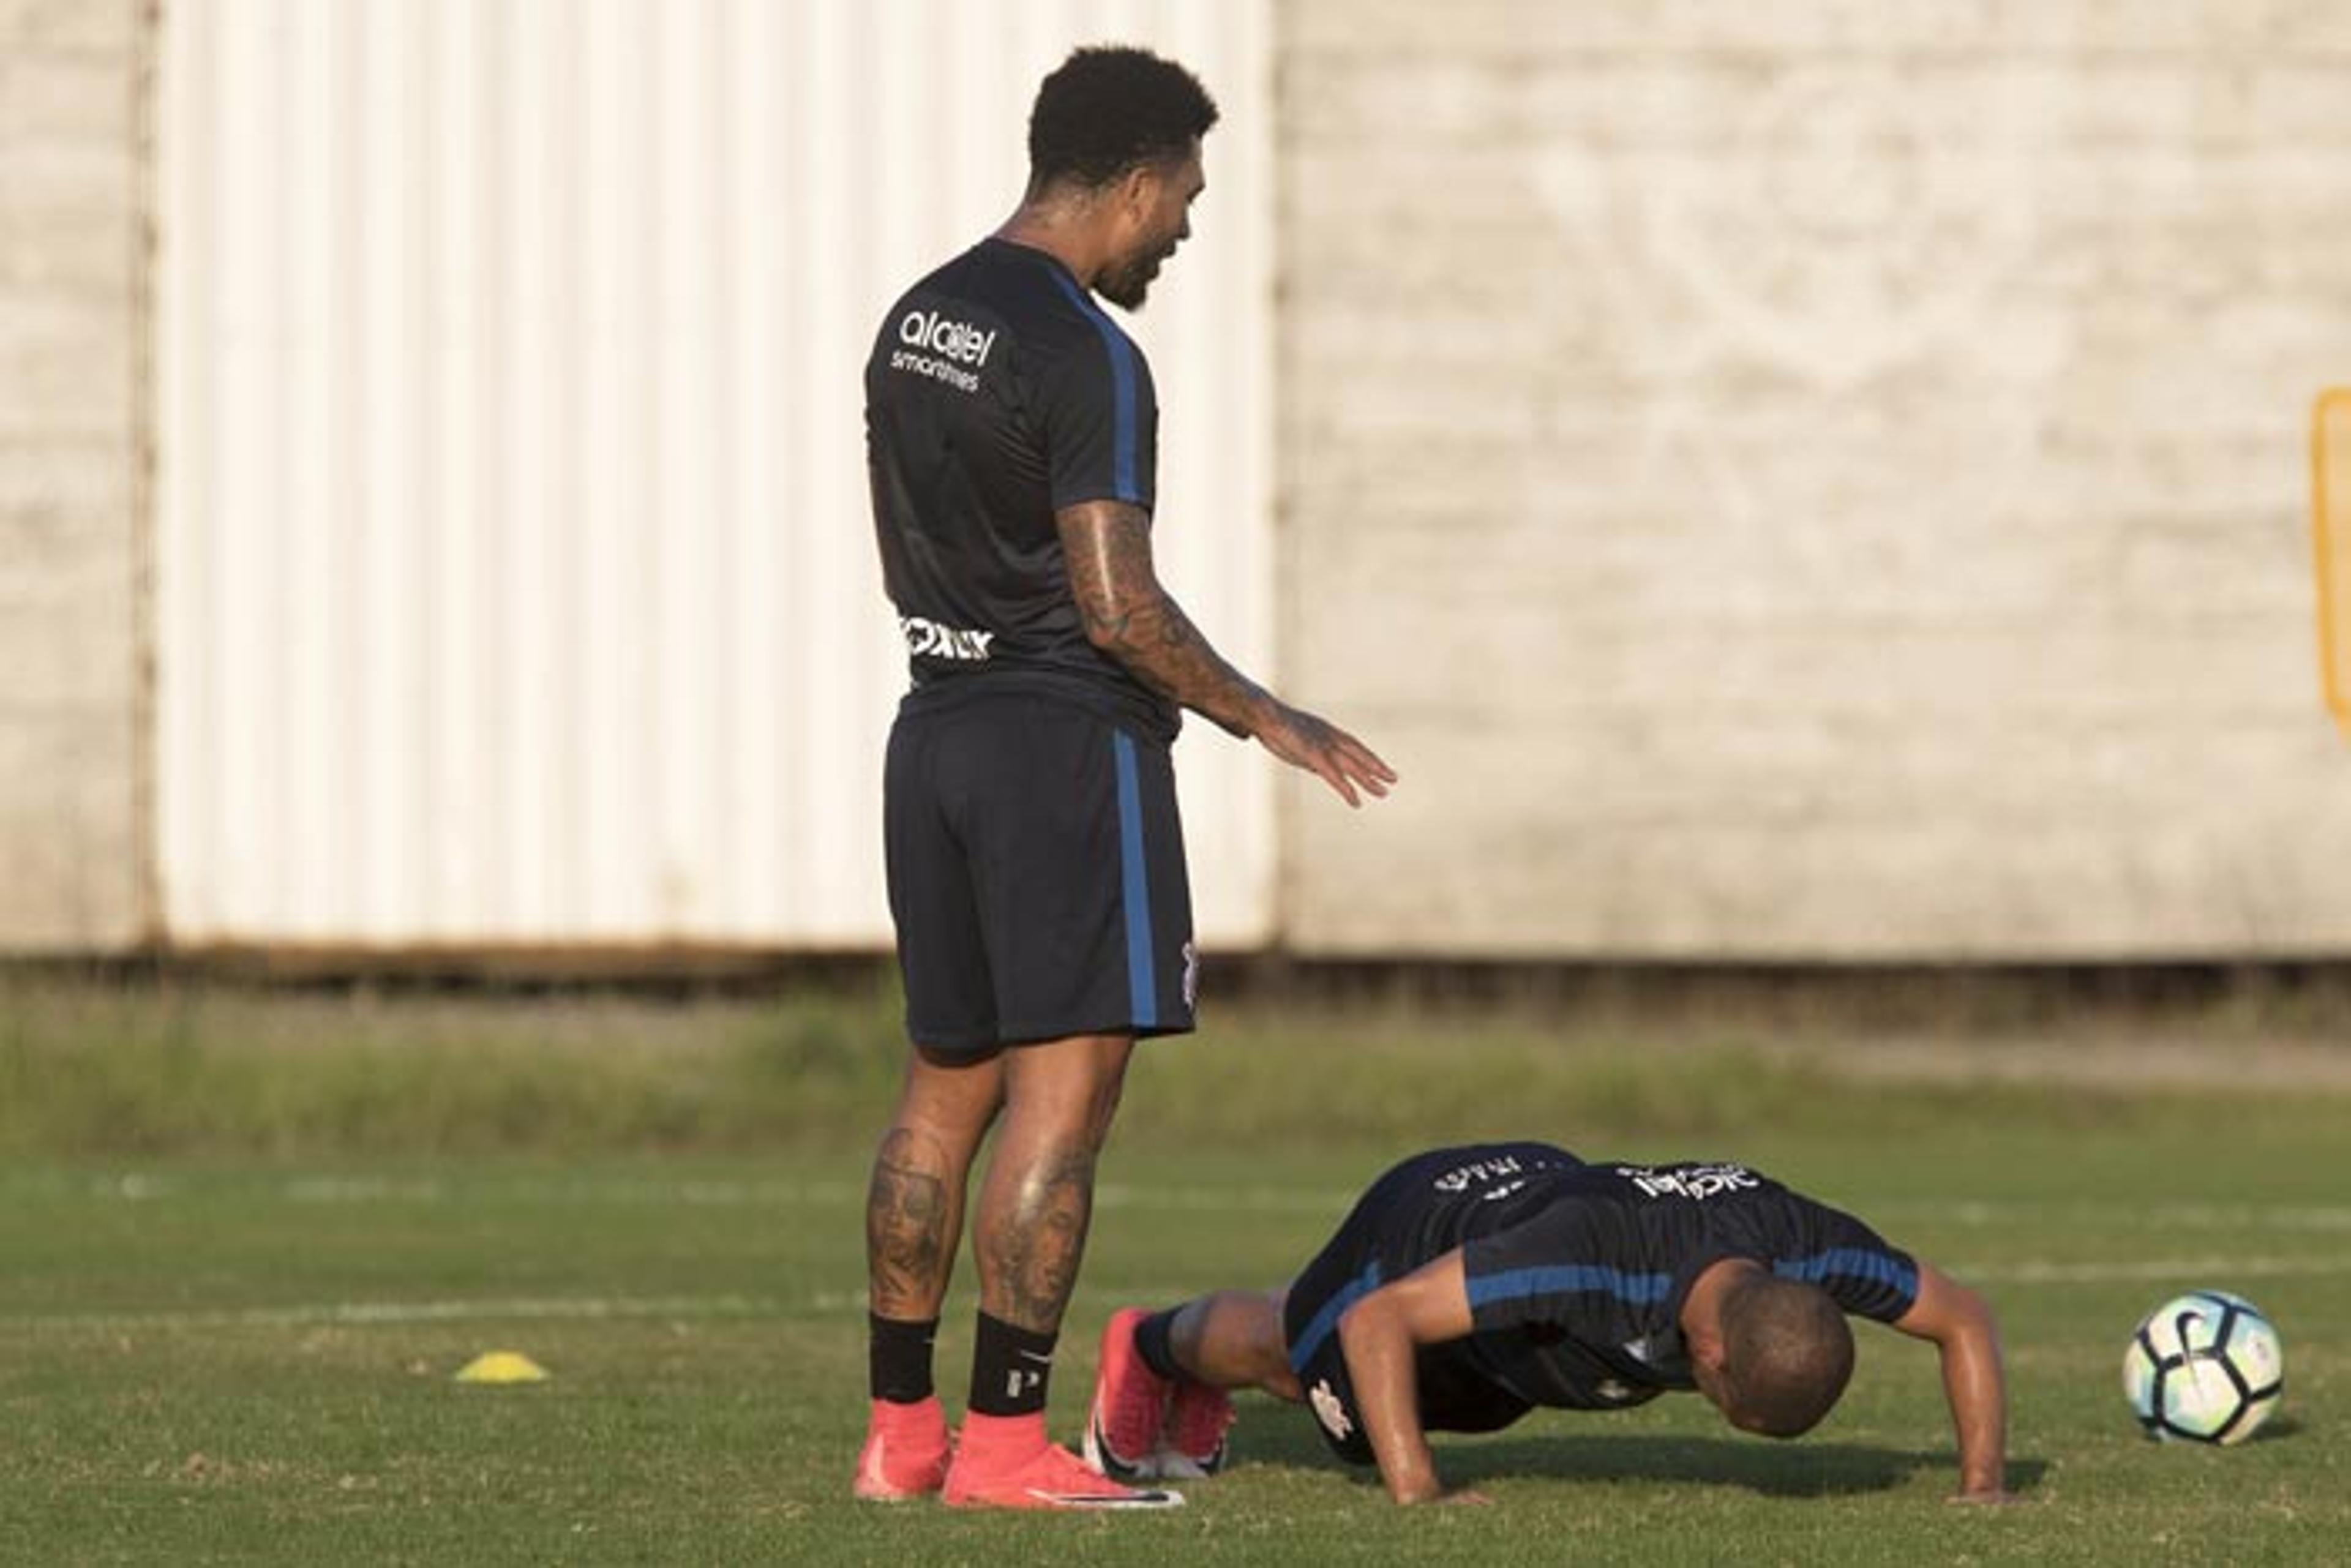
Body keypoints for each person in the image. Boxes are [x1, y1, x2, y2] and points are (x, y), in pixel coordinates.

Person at [855, 45, 1397, 1512]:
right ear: (1140, 180)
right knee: (1063, 1106)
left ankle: (902, 1437)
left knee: (938, 1095)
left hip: (938, 730)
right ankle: (1014, 1448)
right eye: (1186, 203)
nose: (1182, 233)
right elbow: (1115, 604)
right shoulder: (1086, 349)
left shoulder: (919, 318)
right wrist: (1262, 715)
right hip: (1062, 748)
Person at [1086, 1141, 2014, 1506]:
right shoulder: (1591, 1261)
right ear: (1711, 1354)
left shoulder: (1807, 1244)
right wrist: (1423, 1494)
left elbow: (1962, 1316)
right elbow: (1380, 1319)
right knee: (1298, 1359)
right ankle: (1150, 1348)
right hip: (1415, 1230)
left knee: (1484, 1397)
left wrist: (1983, 1487)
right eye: (1731, 1405)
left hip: (1528, 1249)